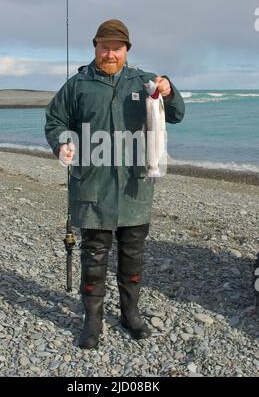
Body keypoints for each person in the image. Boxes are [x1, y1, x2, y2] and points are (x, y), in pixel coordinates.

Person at [45, 19, 185, 349]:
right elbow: (55, 120)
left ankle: (129, 313)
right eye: (104, 47)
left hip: (135, 189)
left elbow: (176, 114)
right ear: (95, 48)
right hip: (91, 188)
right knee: (93, 258)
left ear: (126, 50)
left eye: (117, 48)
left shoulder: (145, 82)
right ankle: (92, 319)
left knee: (132, 255)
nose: (110, 53)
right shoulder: (78, 85)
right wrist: (63, 142)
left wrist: (169, 90)